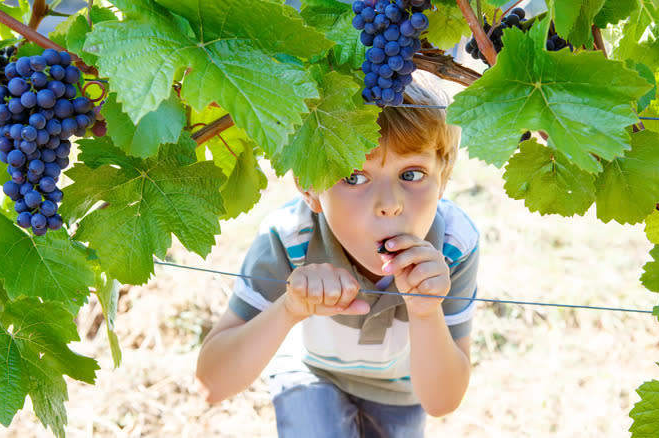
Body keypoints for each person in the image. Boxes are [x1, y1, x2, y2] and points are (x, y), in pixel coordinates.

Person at [195, 70, 479, 437]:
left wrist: (426, 312)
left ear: (444, 178)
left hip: (402, 388)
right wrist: (289, 309)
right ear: (309, 187)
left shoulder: (454, 245)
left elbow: (442, 401)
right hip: (311, 373)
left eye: (411, 174)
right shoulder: (288, 237)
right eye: (354, 177)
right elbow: (212, 384)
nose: (389, 205)